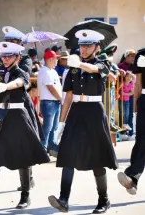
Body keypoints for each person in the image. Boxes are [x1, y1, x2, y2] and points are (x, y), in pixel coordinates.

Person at [48, 30, 118, 214]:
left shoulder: (103, 62)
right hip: (76, 112)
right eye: (81, 45)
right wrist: (61, 123)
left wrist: (79, 63)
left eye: (88, 45)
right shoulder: (72, 67)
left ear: (97, 47)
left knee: (97, 158)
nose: (84, 49)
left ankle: (104, 199)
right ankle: (63, 199)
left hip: (94, 112)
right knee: (68, 155)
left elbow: (97, 70)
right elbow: (69, 97)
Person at [0, 42, 50, 209]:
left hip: (17, 117)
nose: (5, 59)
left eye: (9, 56)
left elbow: (19, 83)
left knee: (22, 157)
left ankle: (25, 195)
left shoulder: (21, 72)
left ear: (17, 57)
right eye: (3, 56)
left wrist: (5, 86)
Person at [0, 25, 43, 192]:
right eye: (6, 42)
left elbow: (22, 79)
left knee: (23, 143)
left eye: (12, 42)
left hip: (20, 103)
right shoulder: (0, 59)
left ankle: (27, 180)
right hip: (0, 104)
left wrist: (6, 85)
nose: (8, 45)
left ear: (19, 44)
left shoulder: (25, 60)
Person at [116, 47, 145, 195]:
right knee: (141, 140)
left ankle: (133, 175)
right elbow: (138, 84)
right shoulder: (141, 54)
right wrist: (134, 110)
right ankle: (133, 176)